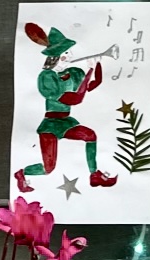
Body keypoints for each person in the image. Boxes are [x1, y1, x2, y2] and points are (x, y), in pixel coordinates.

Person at [15, 22, 117, 192]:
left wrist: (97, 65)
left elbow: (94, 84)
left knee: (90, 136)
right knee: (48, 168)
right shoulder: (46, 77)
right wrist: (89, 72)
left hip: (65, 122)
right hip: (50, 125)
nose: (70, 56)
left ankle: (94, 175)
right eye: (66, 53)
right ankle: (21, 173)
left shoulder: (73, 73)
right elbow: (74, 99)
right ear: (58, 56)